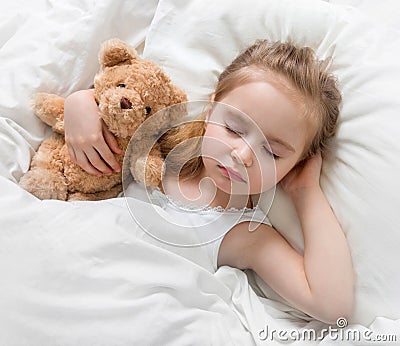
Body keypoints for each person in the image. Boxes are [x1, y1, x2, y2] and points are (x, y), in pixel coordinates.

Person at [64, 40, 354, 324]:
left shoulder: (244, 233)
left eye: (272, 152)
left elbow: (332, 306)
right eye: (233, 128)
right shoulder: (155, 145)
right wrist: (80, 103)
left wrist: (306, 192)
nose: (242, 155)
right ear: (211, 107)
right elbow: (120, 104)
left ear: (294, 165)